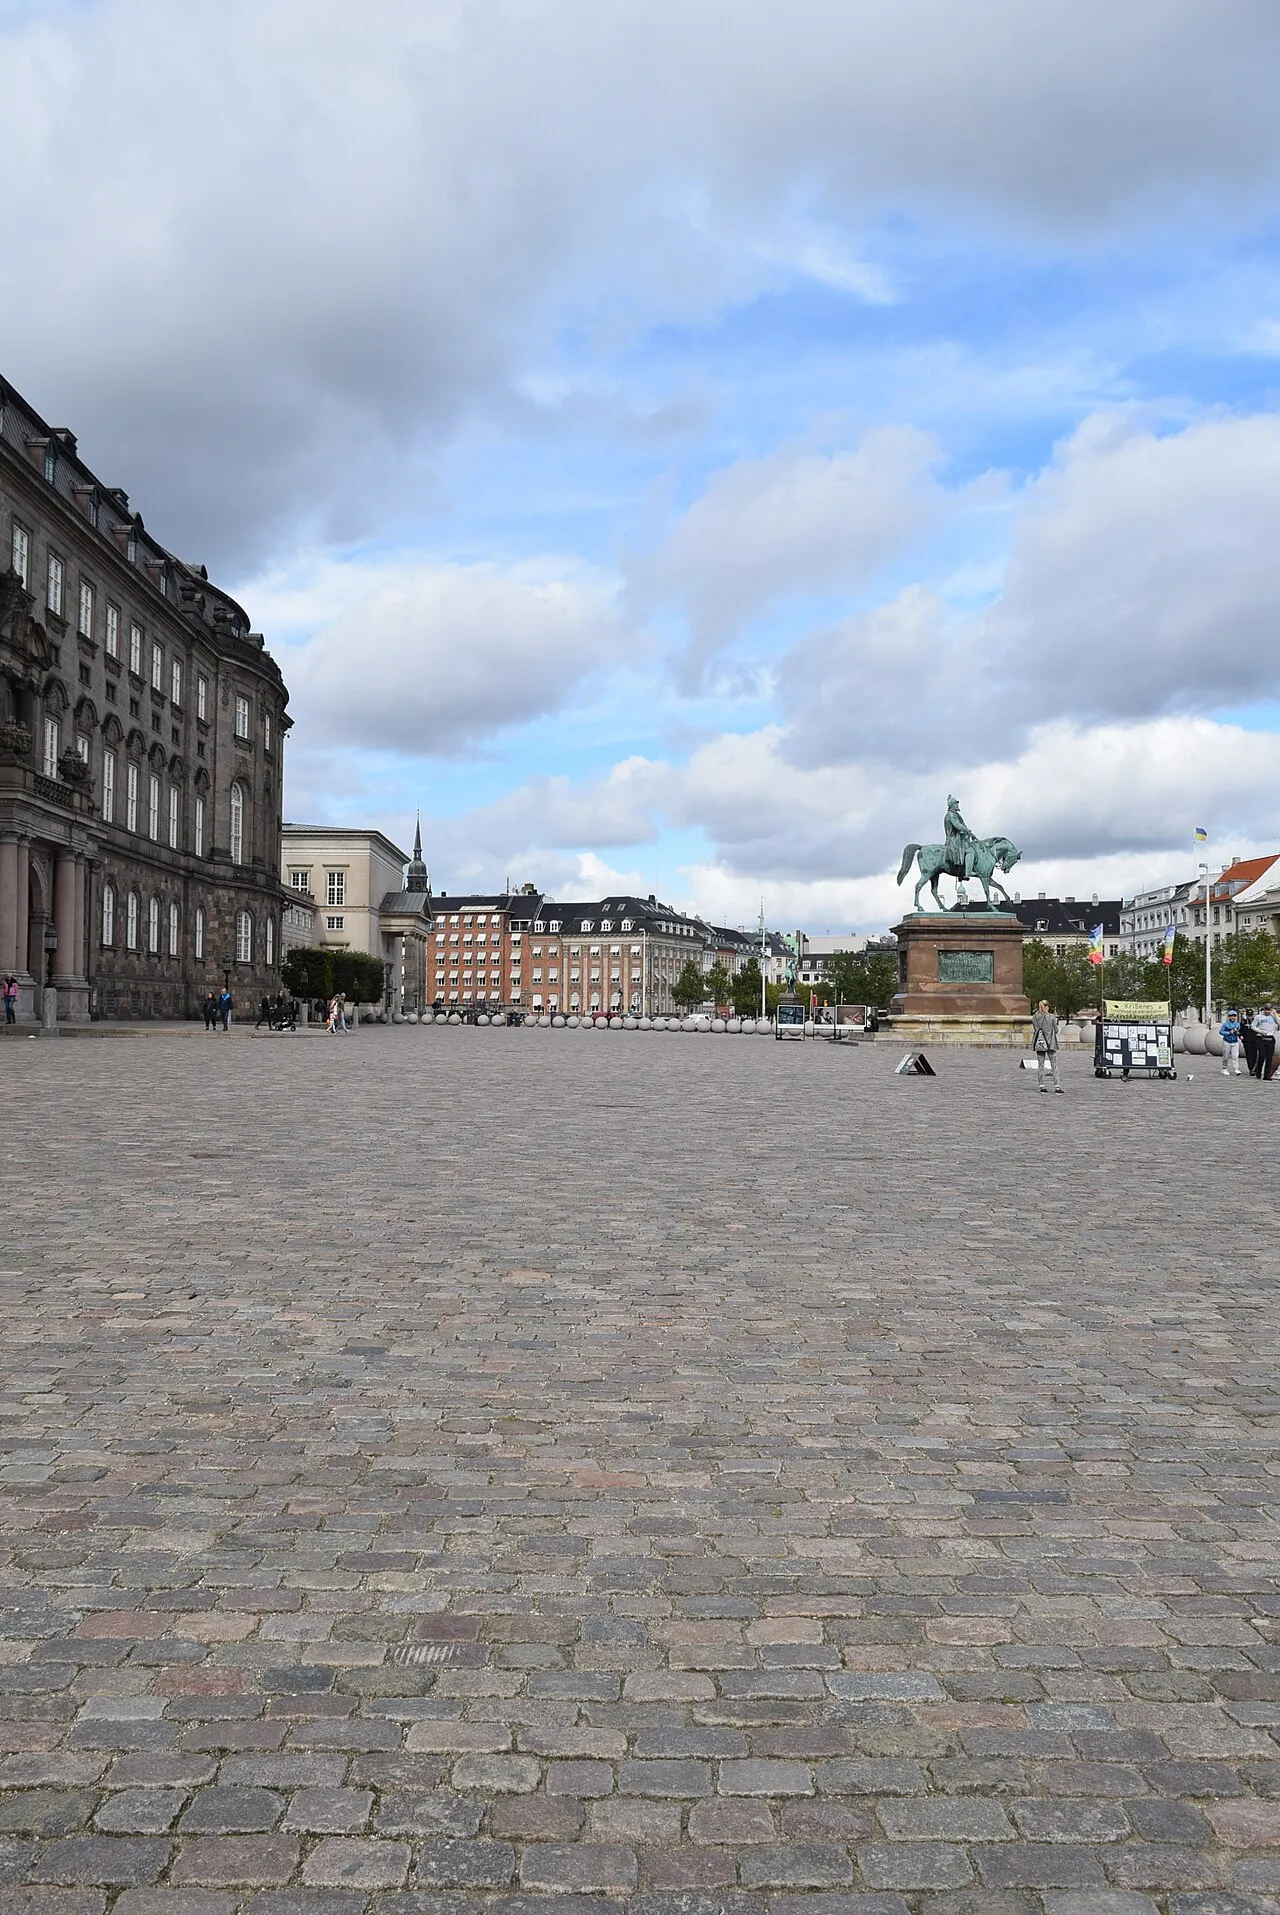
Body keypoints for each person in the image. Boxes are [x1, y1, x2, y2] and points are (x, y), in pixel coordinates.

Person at [1031, 997, 1062, 1092]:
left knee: (1041, 1064)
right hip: (1051, 1043)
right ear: (1046, 1007)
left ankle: (1041, 1085)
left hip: (1039, 1043)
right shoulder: (1051, 1017)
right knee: (1054, 1065)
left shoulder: (1035, 1017)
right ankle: (1057, 1086)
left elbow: (1035, 1029)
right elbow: (1056, 1030)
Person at [1255, 1003, 1279, 1080]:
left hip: (1270, 1037)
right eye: (1266, 1009)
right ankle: (1258, 1070)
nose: (1267, 1011)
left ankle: (1267, 1075)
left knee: (1269, 1058)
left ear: (1271, 1010)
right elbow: (1253, 1026)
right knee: (1262, 1056)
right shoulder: (1258, 1017)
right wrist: (1260, 1031)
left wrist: (1275, 1014)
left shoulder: (1273, 1017)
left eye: (1269, 1009)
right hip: (1261, 1037)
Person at [1220, 1008, 1243, 1077]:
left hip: (1235, 1041)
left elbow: (1239, 1032)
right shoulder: (1225, 1024)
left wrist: (1237, 1033)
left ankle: (1236, 1068)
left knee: (1235, 1056)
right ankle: (1224, 1068)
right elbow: (1221, 1032)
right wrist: (1229, 1032)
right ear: (1229, 1016)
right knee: (1226, 1056)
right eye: (1231, 1016)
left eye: (1234, 1016)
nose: (1233, 1017)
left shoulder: (1237, 1024)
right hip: (1227, 1041)